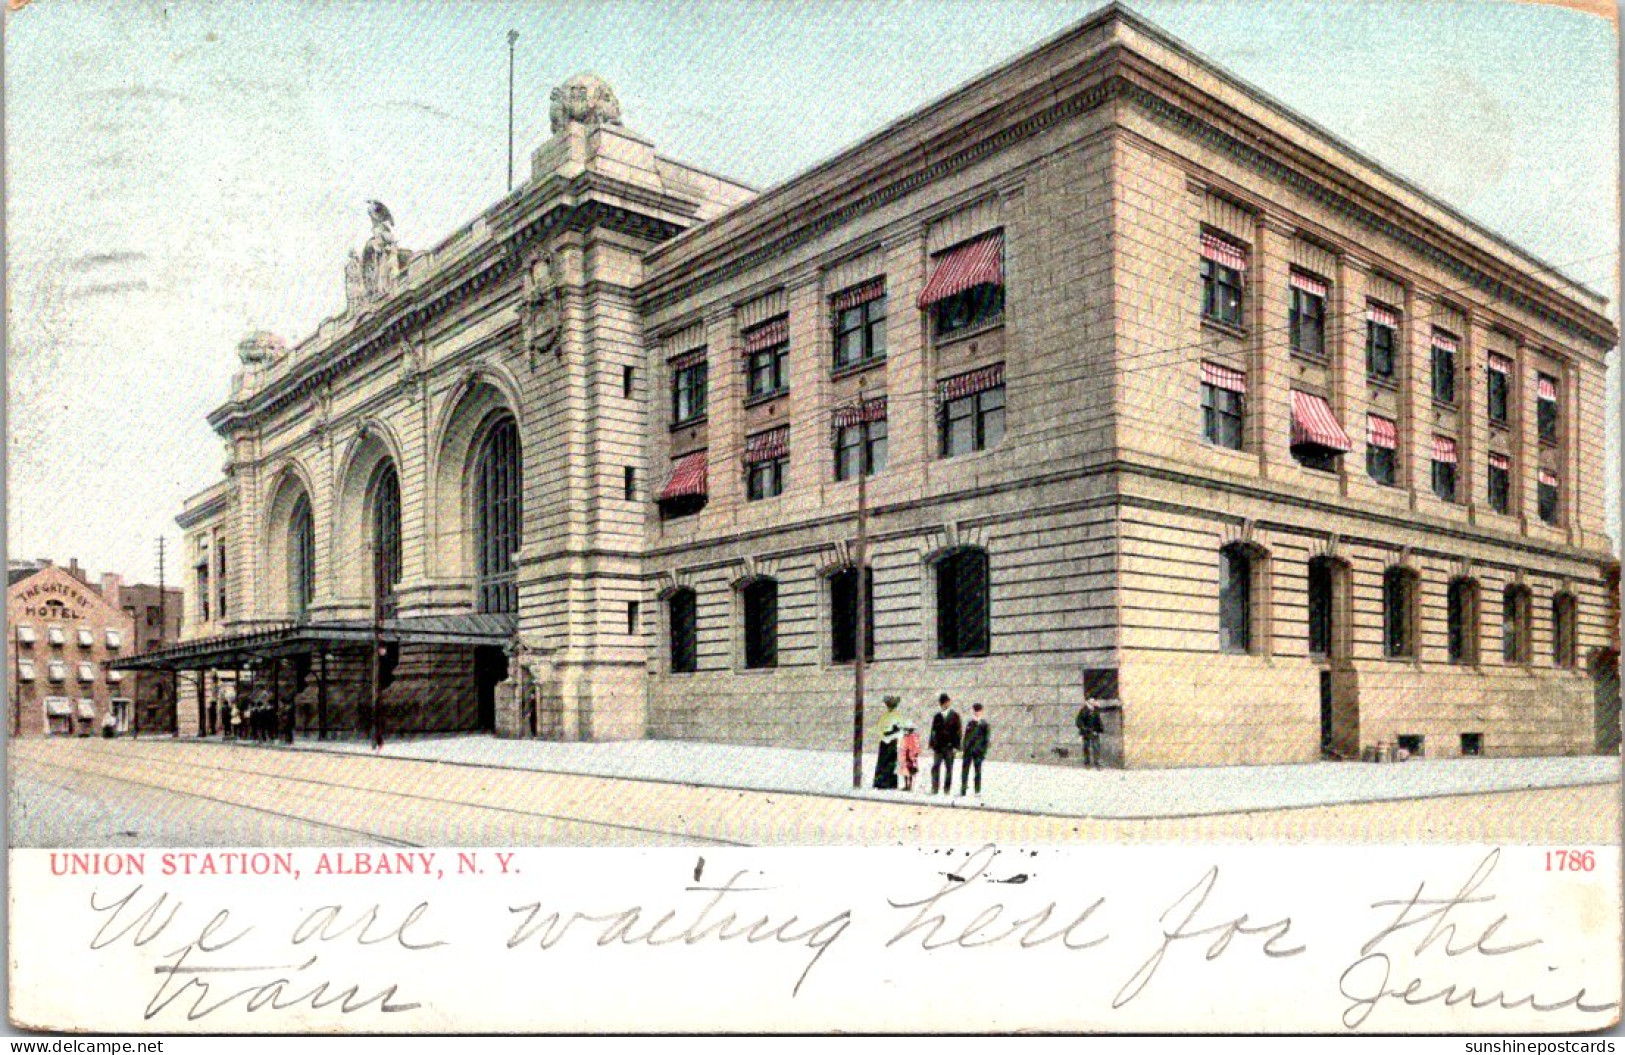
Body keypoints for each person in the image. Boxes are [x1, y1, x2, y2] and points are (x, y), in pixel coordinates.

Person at [929, 693, 962, 794]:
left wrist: (956, 746)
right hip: (938, 747)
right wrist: (932, 744)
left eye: (946, 702)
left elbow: (958, 732)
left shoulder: (955, 716)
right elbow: (933, 731)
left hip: (949, 746)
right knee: (935, 767)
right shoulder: (937, 716)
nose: (945, 705)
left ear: (949, 702)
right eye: (943, 703)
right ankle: (935, 788)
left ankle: (947, 789)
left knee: (949, 768)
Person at [873, 696, 903, 790]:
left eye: (892, 705)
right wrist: (884, 735)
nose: (890, 707)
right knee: (883, 762)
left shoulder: (897, 716)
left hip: (892, 742)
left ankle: (890, 783)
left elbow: (900, 729)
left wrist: (893, 733)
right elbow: (879, 728)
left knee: (891, 762)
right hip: (884, 741)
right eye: (889, 705)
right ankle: (881, 782)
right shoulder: (884, 716)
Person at [961, 703, 991, 797]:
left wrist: (983, 752)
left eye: (978, 711)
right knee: (965, 771)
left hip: (978, 752)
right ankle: (963, 789)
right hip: (968, 751)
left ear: (982, 712)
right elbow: (966, 737)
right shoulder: (970, 723)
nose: (977, 713)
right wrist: (964, 748)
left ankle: (977, 790)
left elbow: (986, 740)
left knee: (977, 772)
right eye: (975, 711)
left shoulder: (985, 724)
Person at [1076, 701, 1105, 768]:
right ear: (1087, 703)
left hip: (1094, 732)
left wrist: (1099, 729)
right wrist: (1084, 728)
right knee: (1086, 748)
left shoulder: (1096, 710)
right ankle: (1087, 763)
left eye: (1093, 702)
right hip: (1086, 732)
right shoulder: (1083, 711)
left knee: (1096, 748)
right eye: (1091, 703)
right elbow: (1078, 721)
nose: (1093, 704)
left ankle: (1097, 763)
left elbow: (1098, 721)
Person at [899, 722, 921, 791]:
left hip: (911, 756)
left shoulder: (914, 737)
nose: (906, 731)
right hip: (905, 756)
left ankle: (910, 785)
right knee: (905, 771)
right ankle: (906, 785)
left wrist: (914, 755)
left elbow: (917, 748)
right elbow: (902, 747)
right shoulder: (904, 737)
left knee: (910, 771)